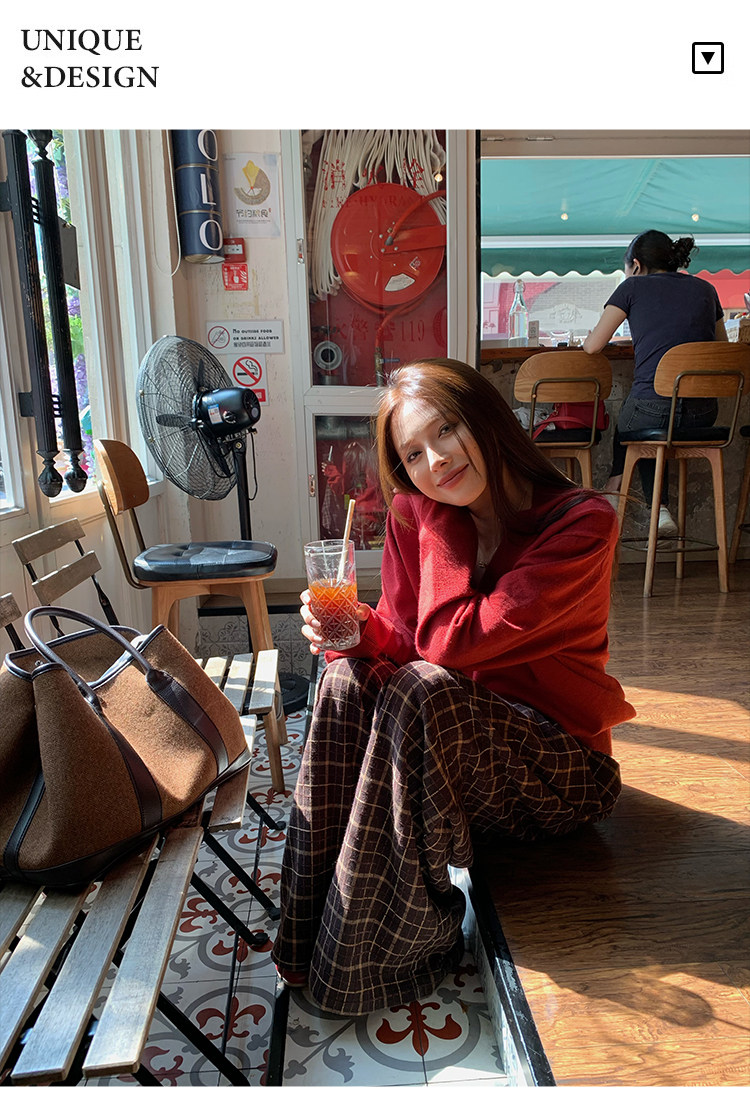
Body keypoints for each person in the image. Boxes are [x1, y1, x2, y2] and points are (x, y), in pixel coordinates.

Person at [271, 358, 635, 1016]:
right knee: (348, 677)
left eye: (445, 431)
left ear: (485, 417)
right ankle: (303, 941)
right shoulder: (419, 510)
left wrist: (434, 514)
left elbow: (448, 643)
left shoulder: (581, 524)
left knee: (423, 689)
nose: (434, 461)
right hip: (466, 758)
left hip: (562, 773)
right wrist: (361, 631)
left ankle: (396, 954)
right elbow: (407, 634)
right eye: (412, 454)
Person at [583, 229, 727, 535]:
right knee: (645, 416)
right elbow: (722, 349)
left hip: (653, 412)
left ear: (636, 265)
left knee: (638, 418)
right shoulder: (706, 289)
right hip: (704, 414)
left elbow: (593, 347)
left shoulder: (631, 287)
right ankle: (633, 498)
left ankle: (633, 496)